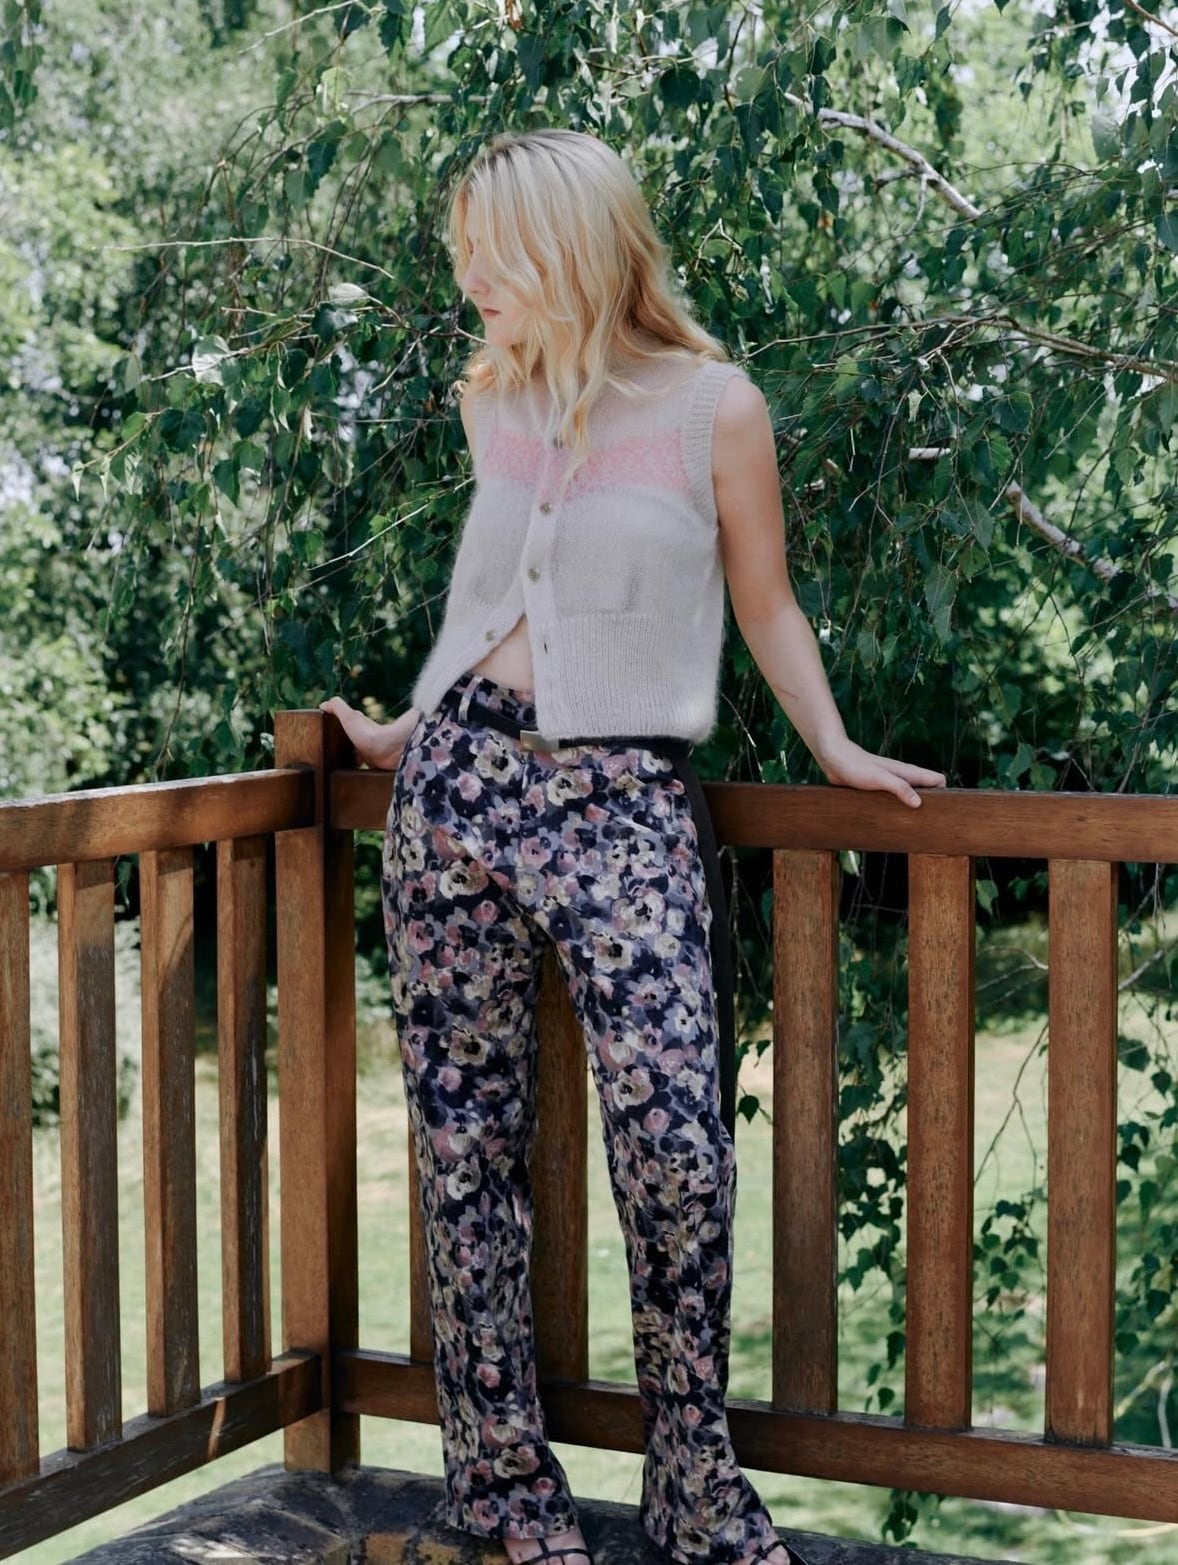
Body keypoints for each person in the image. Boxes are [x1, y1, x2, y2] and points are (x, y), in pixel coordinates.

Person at [322, 128, 945, 1565]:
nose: (470, 281)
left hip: (623, 802)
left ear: (572, 245)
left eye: (492, 253)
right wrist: (406, 729)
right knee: (463, 1154)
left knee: (675, 1147)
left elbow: (764, 599)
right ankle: (501, 1491)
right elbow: (492, 600)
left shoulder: (715, 406)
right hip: (459, 792)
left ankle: (693, 1481)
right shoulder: (496, 400)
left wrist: (834, 746)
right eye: (463, 255)